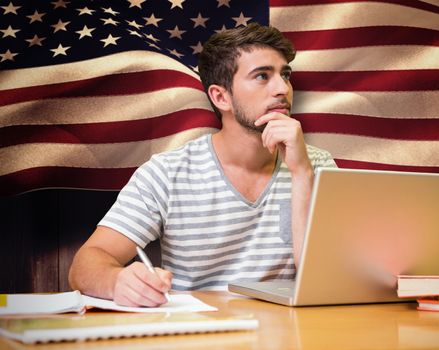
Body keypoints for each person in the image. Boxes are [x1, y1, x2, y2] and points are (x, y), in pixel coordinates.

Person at [68, 23, 336, 307]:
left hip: (293, 336)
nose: (283, 89)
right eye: (262, 76)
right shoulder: (167, 173)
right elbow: (84, 266)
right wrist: (116, 282)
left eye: (285, 75)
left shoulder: (317, 166)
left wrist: (301, 173)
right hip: (200, 333)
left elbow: (327, 279)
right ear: (221, 97)